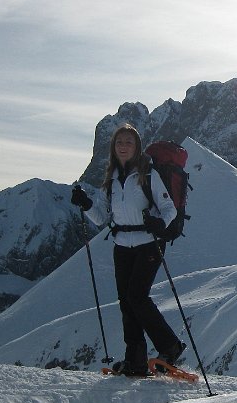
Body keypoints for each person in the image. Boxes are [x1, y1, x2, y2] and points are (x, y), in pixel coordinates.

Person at [71, 123, 186, 376]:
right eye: (119, 142)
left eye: (129, 142)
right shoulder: (110, 179)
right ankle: (135, 360)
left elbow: (169, 209)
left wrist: (159, 224)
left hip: (149, 243)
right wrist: (87, 204)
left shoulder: (149, 174)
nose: (123, 147)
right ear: (113, 147)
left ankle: (170, 346)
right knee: (127, 302)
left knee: (136, 297)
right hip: (122, 246)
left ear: (137, 147)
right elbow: (102, 218)